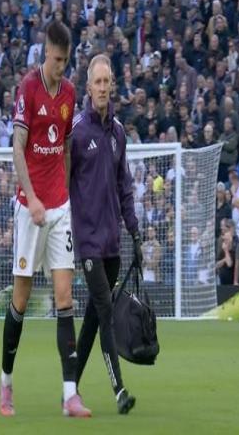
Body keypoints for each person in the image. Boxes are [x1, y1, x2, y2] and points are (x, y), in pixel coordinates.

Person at [0, 21, 91, 418]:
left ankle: (70, 394)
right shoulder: (28, 88)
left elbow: (66, 147)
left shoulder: (69, 92)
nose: (60, 67)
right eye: (56, 60)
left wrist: (64, 194)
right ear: (45, 54)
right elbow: (17, 147)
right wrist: (33, 198)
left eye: (65, 61)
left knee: (65, 297)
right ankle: (6, 382)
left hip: (58, 208)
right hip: (29, 208)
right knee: (20, 299)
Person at [70, 54, 141, 414]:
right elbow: (61, 182)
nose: (102, 88)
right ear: (88, 87)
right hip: (87, 242)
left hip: (112, 242)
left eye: (106, 82)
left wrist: (135, 234)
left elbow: (124, 186)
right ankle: (119, 390)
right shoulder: (76, 132)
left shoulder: (118, 133)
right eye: (97, 82)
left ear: (112, 85)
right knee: (106, 310)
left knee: (92, 320)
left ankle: (69, 388)